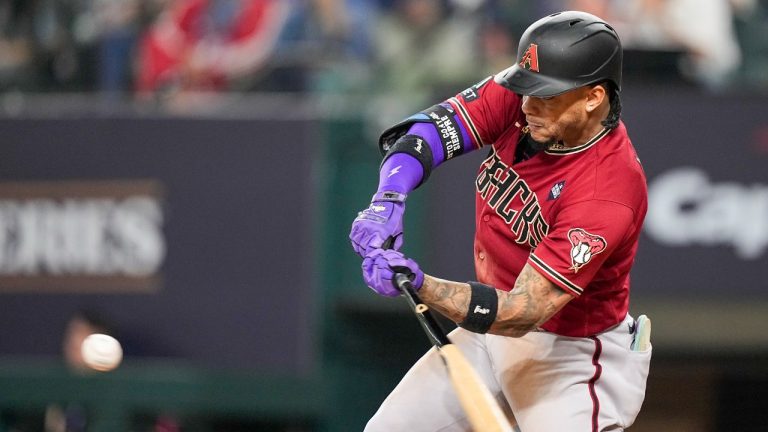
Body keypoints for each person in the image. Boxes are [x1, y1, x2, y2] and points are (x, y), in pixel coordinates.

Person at [349, 10, 651, 432]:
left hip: (571, 359)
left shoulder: (609, 189)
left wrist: (421, 285)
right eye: (526, 89)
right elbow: (427, 134)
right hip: (487, 332)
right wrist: (389, 199)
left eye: (544, 95)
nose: (526, 105)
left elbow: (523, 311)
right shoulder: (527, 93)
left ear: (592, 97)